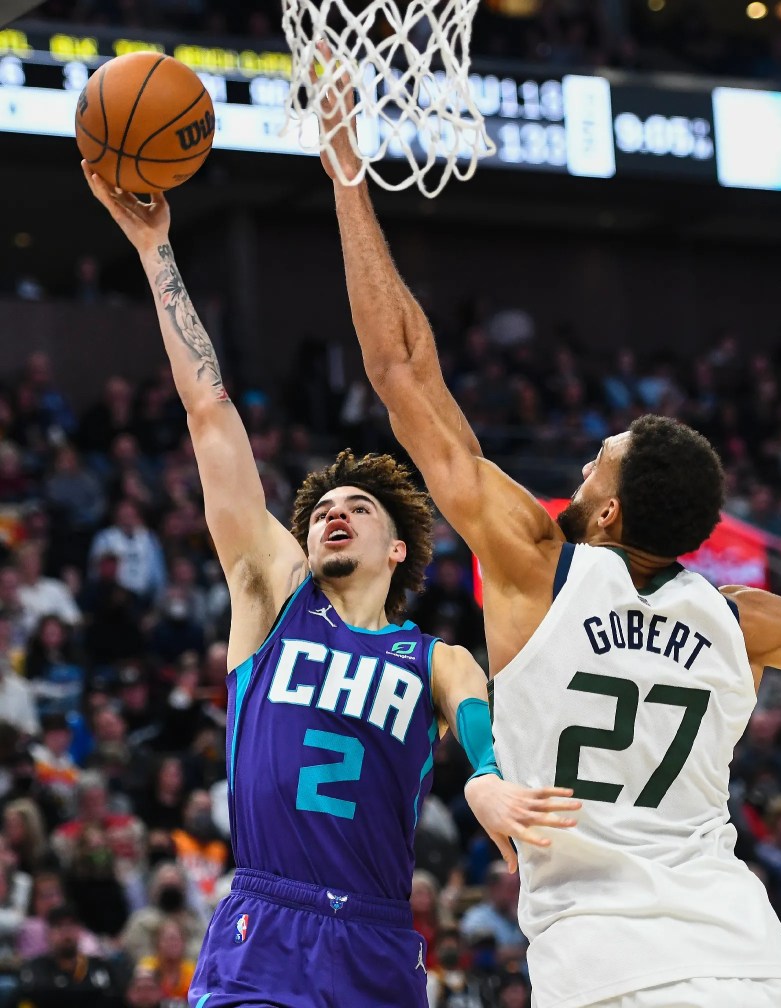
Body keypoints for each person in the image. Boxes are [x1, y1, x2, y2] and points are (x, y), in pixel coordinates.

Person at [318, 66, 781, 1008]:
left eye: (597, 465)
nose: (583, 469)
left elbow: (402, 370)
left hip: (609, 972)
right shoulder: (742, 621)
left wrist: (347, 172)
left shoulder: (535, 569)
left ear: (611, 513)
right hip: (756, 968)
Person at [82, 162, 578, 1008]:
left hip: (377, 938)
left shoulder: (435, 658)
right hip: (267, 921)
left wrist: (488, 776)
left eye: (357, 508)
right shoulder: (273, 596)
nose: (332, 515)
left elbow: (473, 709)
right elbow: (209, 412)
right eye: (320, 512)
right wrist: (155, 250)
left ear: (398, 549)